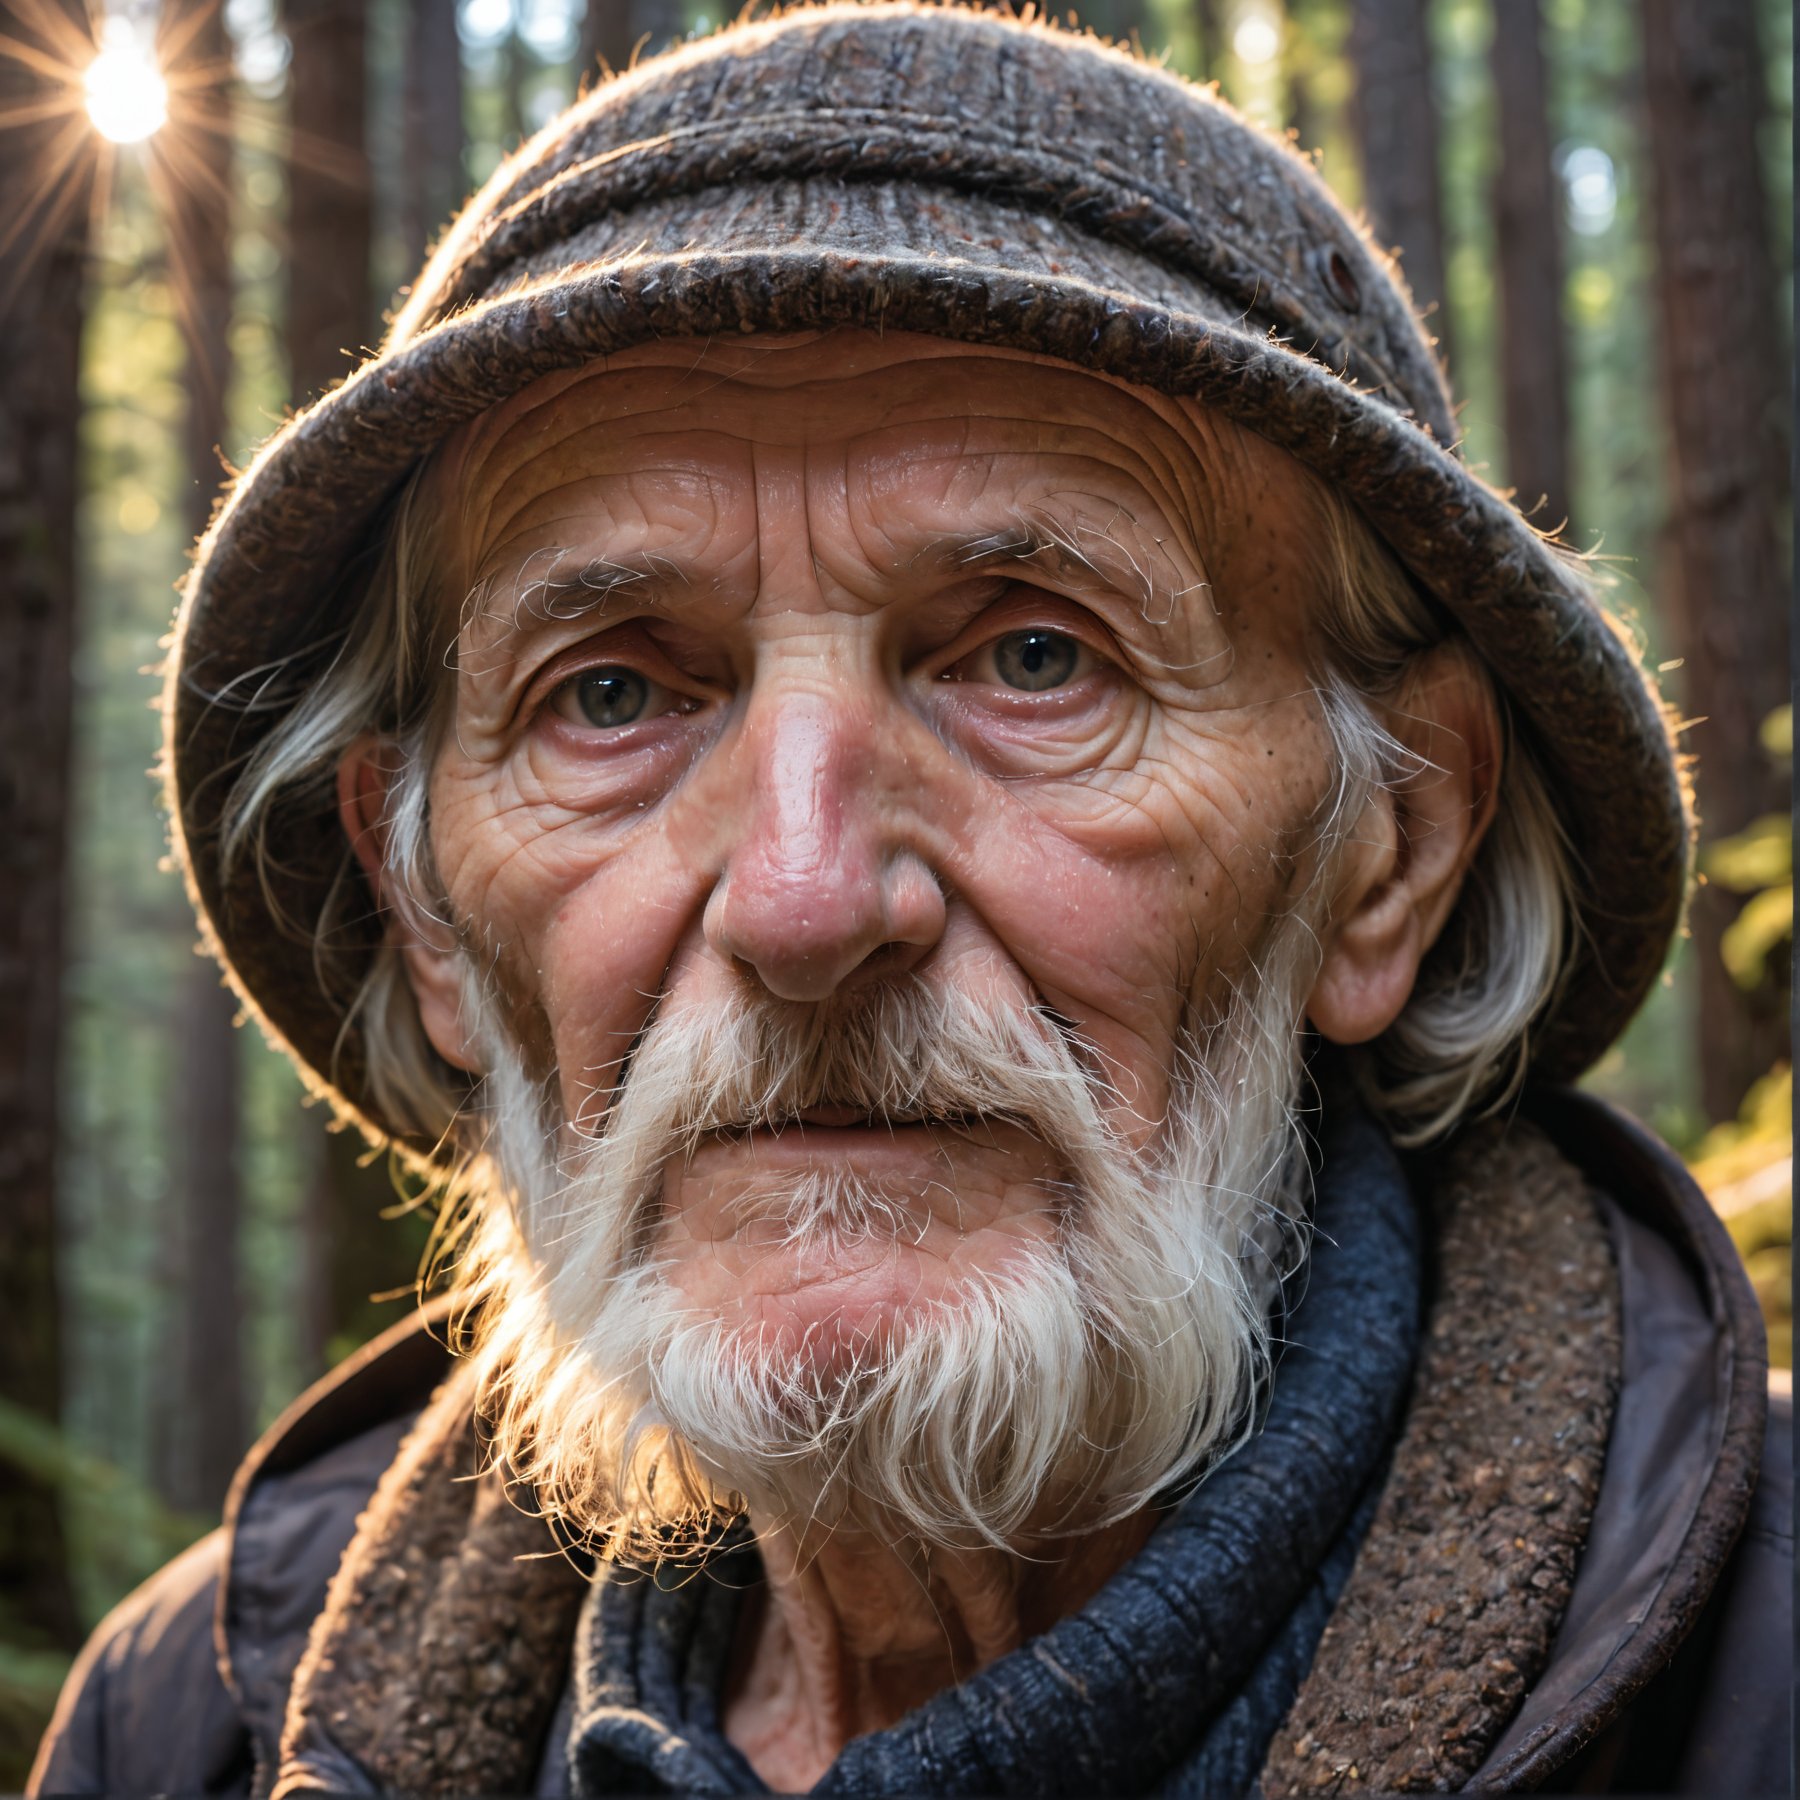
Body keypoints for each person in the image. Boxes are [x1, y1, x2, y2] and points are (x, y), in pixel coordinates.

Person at [31, 7, 1789, 1796]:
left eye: (1036, 657)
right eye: (613, 695)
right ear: (427, 916)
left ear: (1390, 847)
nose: (802, 904)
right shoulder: (188, 1730)